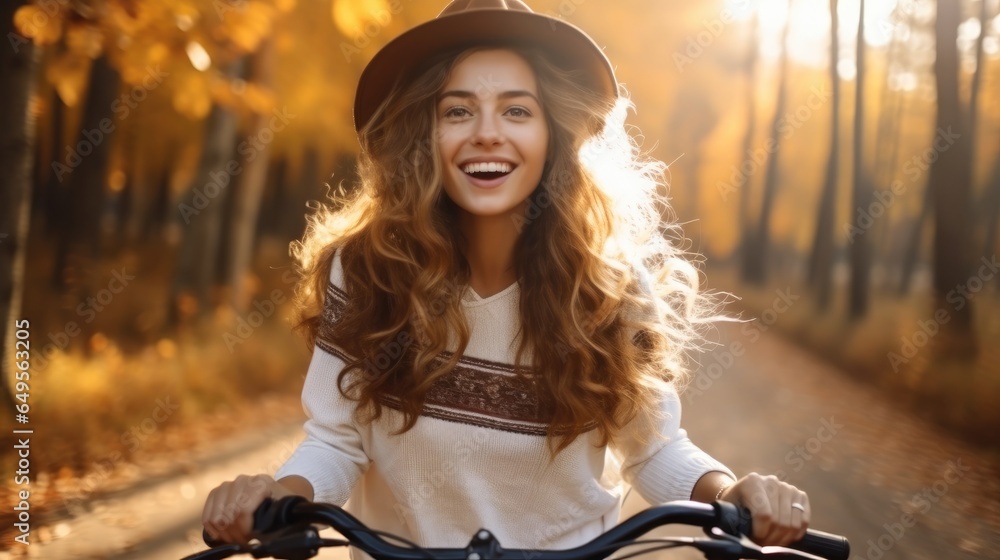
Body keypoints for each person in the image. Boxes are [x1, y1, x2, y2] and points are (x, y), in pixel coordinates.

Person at [202, 0, 812, 552]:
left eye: (517, 110)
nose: (487, 132)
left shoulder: (610, 289)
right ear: (424, 136)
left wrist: (733, 494)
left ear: (554, 135)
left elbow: (653, 448)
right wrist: (275, 497)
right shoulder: (364, 271)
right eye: (457, 110)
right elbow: (336, 440)